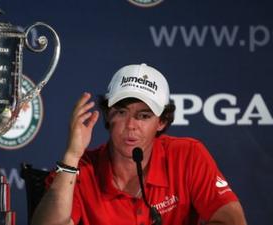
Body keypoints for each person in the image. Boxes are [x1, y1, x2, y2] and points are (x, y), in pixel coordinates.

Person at [31, 63, 247, 225]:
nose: (131, 125)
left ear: (161, 121)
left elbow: (233, 220)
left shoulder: (187, 155)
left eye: (143, 116)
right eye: (122, 112)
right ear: (107, 115)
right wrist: (71, 155)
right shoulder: (80, 169)